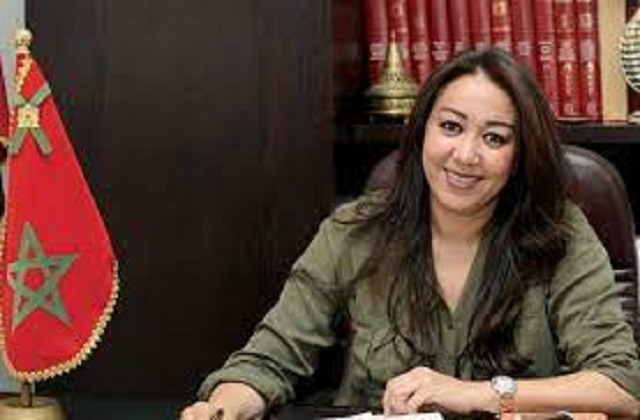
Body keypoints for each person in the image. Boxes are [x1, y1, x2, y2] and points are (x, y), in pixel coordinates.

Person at [181, 48, 640, 419]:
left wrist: (478, 394)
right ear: (421, 131)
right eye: (451, 127)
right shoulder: (354, 231)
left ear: (519, 157)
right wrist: (223, 407)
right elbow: (269, 359)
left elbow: (621, 386)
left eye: (495, 138)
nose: (466, 155)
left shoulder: (559, 233)